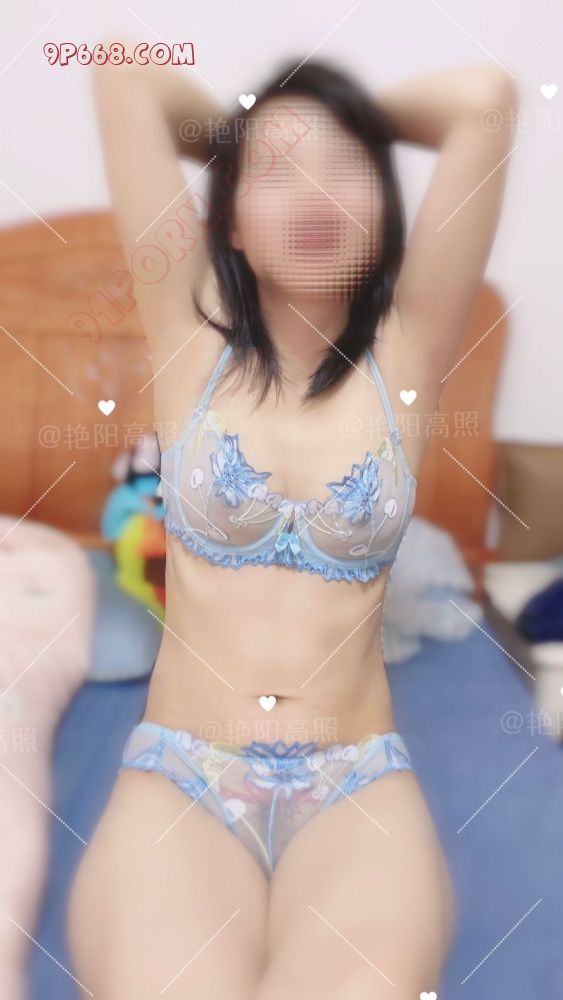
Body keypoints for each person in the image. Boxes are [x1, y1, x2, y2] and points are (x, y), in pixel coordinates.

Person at [66, 40, 518, 999]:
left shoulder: (409, 351)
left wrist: (333, 127)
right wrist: (244, 143)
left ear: (385, 211)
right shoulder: (188, 340)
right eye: (276, 174)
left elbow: (483, 99)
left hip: (356, 783)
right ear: (228, 222)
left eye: (346, 168)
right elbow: (123, 76)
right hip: (181, 775)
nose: (314, 191)